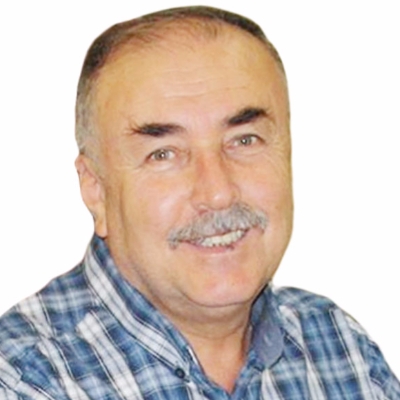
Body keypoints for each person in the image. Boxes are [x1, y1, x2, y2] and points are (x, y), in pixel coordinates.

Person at [0, 6, 398, 399]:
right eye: (164, 154)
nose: (218, 193)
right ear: (95, 190)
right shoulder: (24, 380)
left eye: (244, 141)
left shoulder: (340, 349)